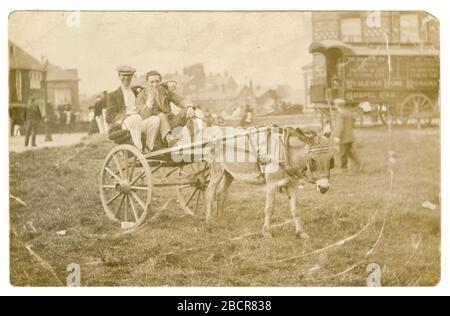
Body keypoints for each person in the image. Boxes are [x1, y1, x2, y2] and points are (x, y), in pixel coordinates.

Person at [105, 66, 161, 152]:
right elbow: (109, 117)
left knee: (155, 120)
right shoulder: (113, 95)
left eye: (129, 75)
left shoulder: (137, 91)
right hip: (124, 124)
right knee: (136, 118)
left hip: (138, 122)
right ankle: (139, 150)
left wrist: (168, 84)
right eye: (123, 75)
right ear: (119, 76)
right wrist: (125, 116)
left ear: (132, 76)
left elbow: (153, 85)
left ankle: (149, 148)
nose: (126, 78)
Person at [136, 70, 196, 147]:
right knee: (160, 115)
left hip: (171, 123)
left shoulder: (164, 91)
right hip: (156, 129)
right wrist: (149, 102)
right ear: (147, 82)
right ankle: (169, 139)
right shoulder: (141, 96)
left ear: (160, 81)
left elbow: (180, 99)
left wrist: (189, 106)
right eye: (152, 82)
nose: (155, 84)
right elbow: (142, 116)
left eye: (157, 81)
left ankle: (194, 138)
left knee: (186, 111)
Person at [334, 98, 364, 172]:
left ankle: (344, 168)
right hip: (350, 136)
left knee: (342, 153)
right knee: (349, 152)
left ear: (336, 105)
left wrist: (337, 136)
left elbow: (340, 126)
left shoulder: (340, 114)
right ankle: (359, 164)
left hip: (344, 137)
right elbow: (353, 123)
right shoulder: (349, 112)